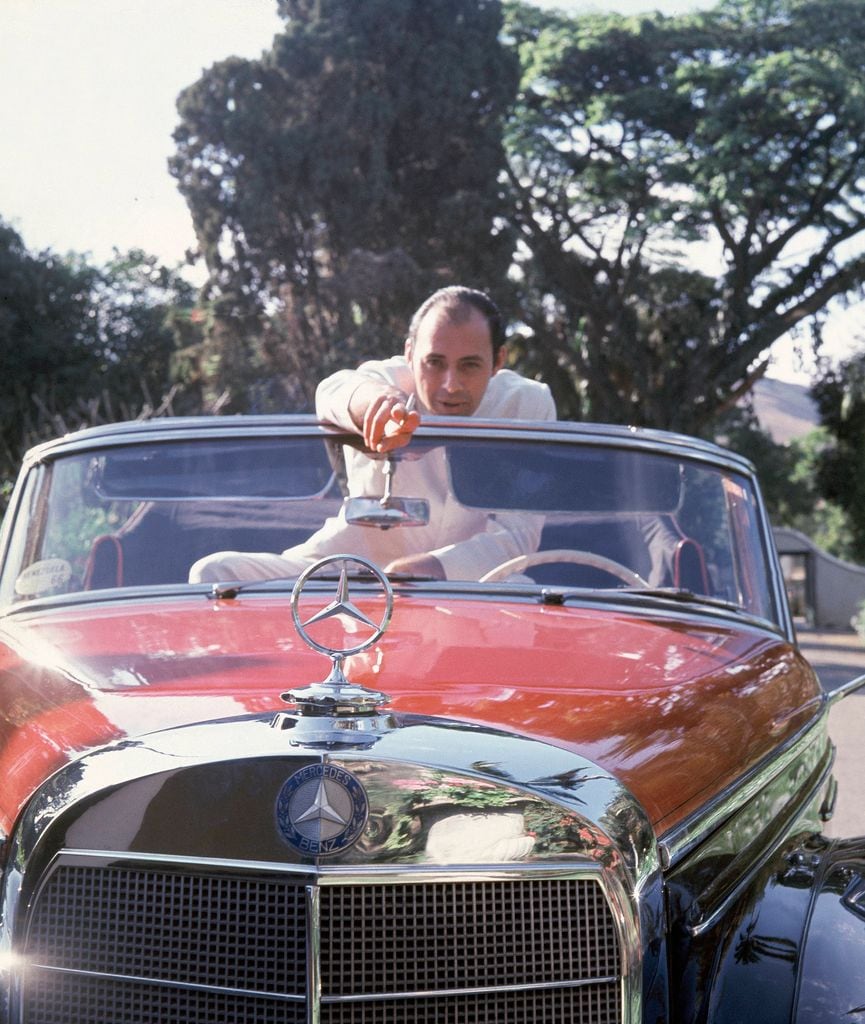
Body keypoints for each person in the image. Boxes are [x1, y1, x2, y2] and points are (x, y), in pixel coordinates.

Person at [189, 287, 555, 584]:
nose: (451, 384)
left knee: (524, 595)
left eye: (470, 365)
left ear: (499, 360)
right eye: (435, 362)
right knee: (216, 573)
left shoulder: (527, 404)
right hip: (350, 568)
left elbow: (519, 535)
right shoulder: (381, 381)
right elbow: (334, 392)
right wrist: (377, 406)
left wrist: (431, 569)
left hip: (473, 582)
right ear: (410, 354)